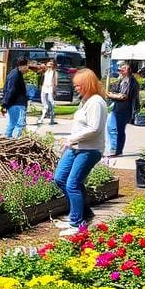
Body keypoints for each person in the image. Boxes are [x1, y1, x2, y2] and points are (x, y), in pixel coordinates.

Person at [54, 69, 107, 235]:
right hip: (75, 147)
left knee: (73, 184)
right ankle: (82, 213)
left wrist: (72, 139)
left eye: (79, 85)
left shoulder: (96, 102)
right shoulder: (86, 100)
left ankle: (76, 224)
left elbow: (94, 128)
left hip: (89, 149)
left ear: (88, 84)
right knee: (60, 179)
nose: (76, 88)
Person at [107, 61, 139, 156]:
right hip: (117, 108)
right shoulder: (122, 80)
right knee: (111, 127)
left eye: (123, 69)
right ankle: (115, 149)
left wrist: (111, 95)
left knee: (118, 130)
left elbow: (124, 96)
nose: (121, 70)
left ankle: (116, 150)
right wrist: (112, 93)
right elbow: (117, 91)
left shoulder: (131, 82)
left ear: (129, 70)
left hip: (124, 110)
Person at [0, 58, 30, 138]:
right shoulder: (15, 75)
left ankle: (8, 138)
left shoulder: (17, 74)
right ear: (23, 66)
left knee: (14, 123)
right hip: (16, 103)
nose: (27, 68)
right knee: (18, 124)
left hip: (17, 103)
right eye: (27, 66)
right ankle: (14, 140)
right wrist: (4, 104)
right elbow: (10, 90)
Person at [38, 59, 57, 126]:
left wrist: (53, 91)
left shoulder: (54, 72)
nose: (49, 66)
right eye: (48, 64)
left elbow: (55, 83)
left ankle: (51, 118)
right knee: (44, 103)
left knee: (51, 103)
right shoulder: (45, 71)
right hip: (44, 87)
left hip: (50, 88)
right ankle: (42, 117)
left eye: (51, 65)